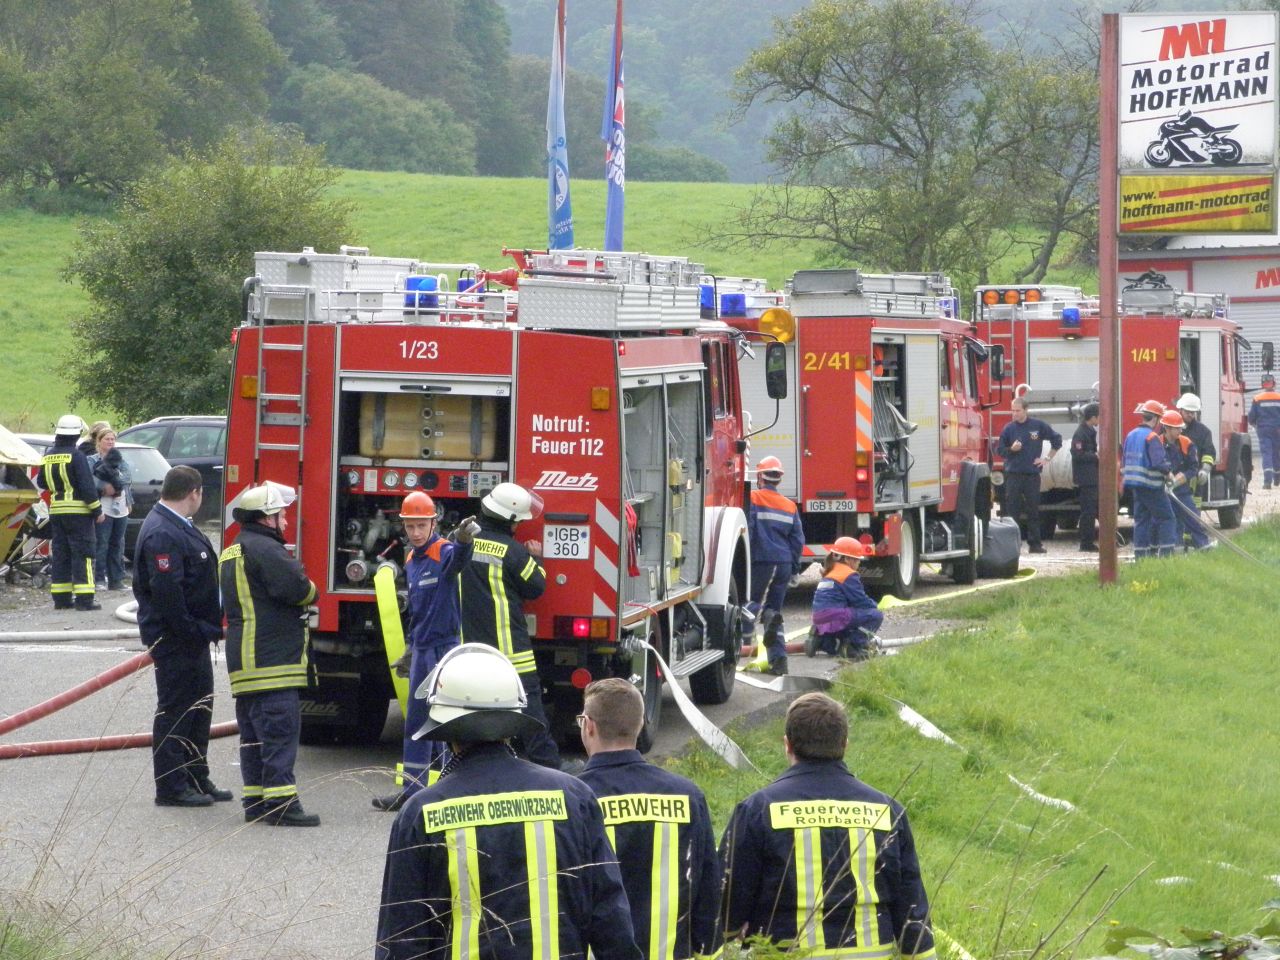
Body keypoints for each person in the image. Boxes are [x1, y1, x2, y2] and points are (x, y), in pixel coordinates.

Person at [376, 643, 641, 960]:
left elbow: (401, 941)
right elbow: (612, 925)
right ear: (514, 719)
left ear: (445, 728)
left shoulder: (421, 813)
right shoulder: (575, 798)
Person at [719, 692, 936, 959]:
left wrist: (729, 933)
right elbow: (912, 907)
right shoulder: (888, 811)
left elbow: (729, 896)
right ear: (844, 744)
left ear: (788, 745)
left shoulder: (757, 810)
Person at [577, 678, 722, 960]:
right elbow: (708, 893)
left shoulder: (576, 799)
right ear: (640, 724)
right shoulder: (688, 796)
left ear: (589, 726)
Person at [219, 481, 321, 827]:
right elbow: (299, 589)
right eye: (280, 515)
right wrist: (312, 589)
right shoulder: (266, 549)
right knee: (279, 733)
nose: (286, 522)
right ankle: (282, 805)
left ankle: (256, 800)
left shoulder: (233, 549)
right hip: (272, 661)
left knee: (252, 737)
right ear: (266, 518)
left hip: (244, 663)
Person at [372, 491, 475, 812]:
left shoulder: (442, 551)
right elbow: (419, 610)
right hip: (422, 647)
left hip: (444, 649)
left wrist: (463, 542)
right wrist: (411, 649)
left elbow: (458, 561)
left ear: (434, 523)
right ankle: (412, 791)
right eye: (410, 526)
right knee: (416, 722)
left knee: (442, 720)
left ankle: (446, 790)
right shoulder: (411, 558)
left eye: (421, 525)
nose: (415, 532)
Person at [133, 464, 229, 807]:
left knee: (199, 709)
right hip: (178, 639)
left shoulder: (178, 526)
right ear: (195, 493)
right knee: (177, 711)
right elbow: (168, 594)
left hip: (194, 637)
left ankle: (195, 776)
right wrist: (197, 629)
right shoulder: (163, 532)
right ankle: (172, 786)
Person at [459, 481, 561, 769]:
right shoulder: (513, 552)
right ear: (510, 520)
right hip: (510, 652)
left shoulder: (461, 544)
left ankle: (472, 766)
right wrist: (537, 557)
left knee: (469, 709)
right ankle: (549, 768)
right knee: (529, 710)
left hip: (469, 649)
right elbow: (536, 586)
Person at [38, 415, 103, 611]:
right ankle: (84, 600)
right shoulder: (77, 456)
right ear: (75, 434)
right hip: (79, 513)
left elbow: (42, 482)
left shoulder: (48, 455)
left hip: (57, 511)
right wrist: (97, 509)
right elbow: (86, 486)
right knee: (84, 554)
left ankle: (61, 598)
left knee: (61, 554)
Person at [748, 456, 804, 675]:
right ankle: (779, 663)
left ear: (760, 476)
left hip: (762, 562)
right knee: (773, 610)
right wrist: (795, 569)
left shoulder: (753, 498)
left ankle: (734, 653)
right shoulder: (789, 506)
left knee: (749, 607)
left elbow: (749, 531)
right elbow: (797, 540)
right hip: (783, 564)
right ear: (778, 479)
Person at [997, 397, 1062, 554]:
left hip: (1032, 475)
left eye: (1017, 410)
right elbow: (999, 450)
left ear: (1026, 410)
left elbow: (1057, 440)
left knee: (1033, 510)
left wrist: (1047, 459)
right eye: (1012, 410)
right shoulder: (1009, 429)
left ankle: (1035, 544)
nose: (1014, 413)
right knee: (1012, 511)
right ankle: (1013, 545)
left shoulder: (1037, 426)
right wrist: (1012, 449)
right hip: (1013, 475)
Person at [809, 537, 883, 660]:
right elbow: (860, 601)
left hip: (818, 617)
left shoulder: (830, 571)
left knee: (848, 627)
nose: (859, 563)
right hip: (835, 615)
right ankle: (853, 647)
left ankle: (823, 641)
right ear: (848, 559)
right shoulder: (848, 574)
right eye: (858, 560)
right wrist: (875, 606)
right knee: (875, 616)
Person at [1122, 400, 1175, 559]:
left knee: (1141, 521)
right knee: (1167, 518)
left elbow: (1125, 460)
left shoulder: (1130, 435)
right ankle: (1166, 555)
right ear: (1156, 419)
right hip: (1151, 486)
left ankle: (1141, 557)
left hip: (1135, 486)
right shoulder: (1152, 437)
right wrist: (1169, 475)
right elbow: (1159, 462)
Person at [1161, 410, 1212, 551]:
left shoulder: (1186, 443)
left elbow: (1193, 467)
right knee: (1172, 521)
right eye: (1177, 428)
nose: (1180, 430)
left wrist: (1178, 480)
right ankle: (1175, 549)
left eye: (1180, 427)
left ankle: (1203, 545)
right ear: (1167, 428)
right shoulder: (1157, 443)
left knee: (1193, 518)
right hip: (1164, 492)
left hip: (1182, 490)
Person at [88, 429, 132, 590]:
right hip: (103, 507)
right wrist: (103, 487)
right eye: (107, 439)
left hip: (121, 507)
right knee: (102, 543)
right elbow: (90, 482)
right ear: (99, 441)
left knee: (118, 544)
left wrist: (113, 485)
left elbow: (127, 478)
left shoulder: (121, 460)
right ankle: (99, 579)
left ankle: (116, 580)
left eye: (113, 439)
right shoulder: (91, 460)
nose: (110, 442)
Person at [1071, 403, 1100, 552]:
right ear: (1093, 417)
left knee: (1093, 509)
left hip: (1091, 477)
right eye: (1099, 417)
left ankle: (1091, 540)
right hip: (1086, 478)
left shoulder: (1089, 431)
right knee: (1087, 512)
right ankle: (1086, 543)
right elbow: (1077, 454)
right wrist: (1095, 456)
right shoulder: (1081, 433)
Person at [1175, 393, 1216, 502]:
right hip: (1174, 477)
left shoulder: (1203, 431)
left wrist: (1205, 470)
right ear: (1180, 410)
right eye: (1187, 412)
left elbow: (1209, 453)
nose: (1190, 415)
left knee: (1194, 510)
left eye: (1193, 412)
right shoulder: (1170, 428)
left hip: (1194, 479)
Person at [1248, 374, 1280, 489]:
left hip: (1263, 429)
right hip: (1277, 430)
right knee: (1276, 453)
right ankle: (1277, 479)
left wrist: (1252, 423)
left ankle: (1267, 482)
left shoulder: (1257, 398)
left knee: (1267, 454)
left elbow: (1252, 416)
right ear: (1274, 383)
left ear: (1263, 384)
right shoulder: (1279, 397)